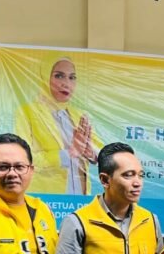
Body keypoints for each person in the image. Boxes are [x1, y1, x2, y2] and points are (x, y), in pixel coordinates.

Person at [14, 56, 102, 195]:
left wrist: (91, 153)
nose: (66, 84)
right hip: (46, 199)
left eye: (72, 77)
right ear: (45, 77)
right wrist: (68, 154)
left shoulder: (80, 116)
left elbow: (101, 152)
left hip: (80, 198)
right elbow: (22, 159)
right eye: (59, 76)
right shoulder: (27, 112)